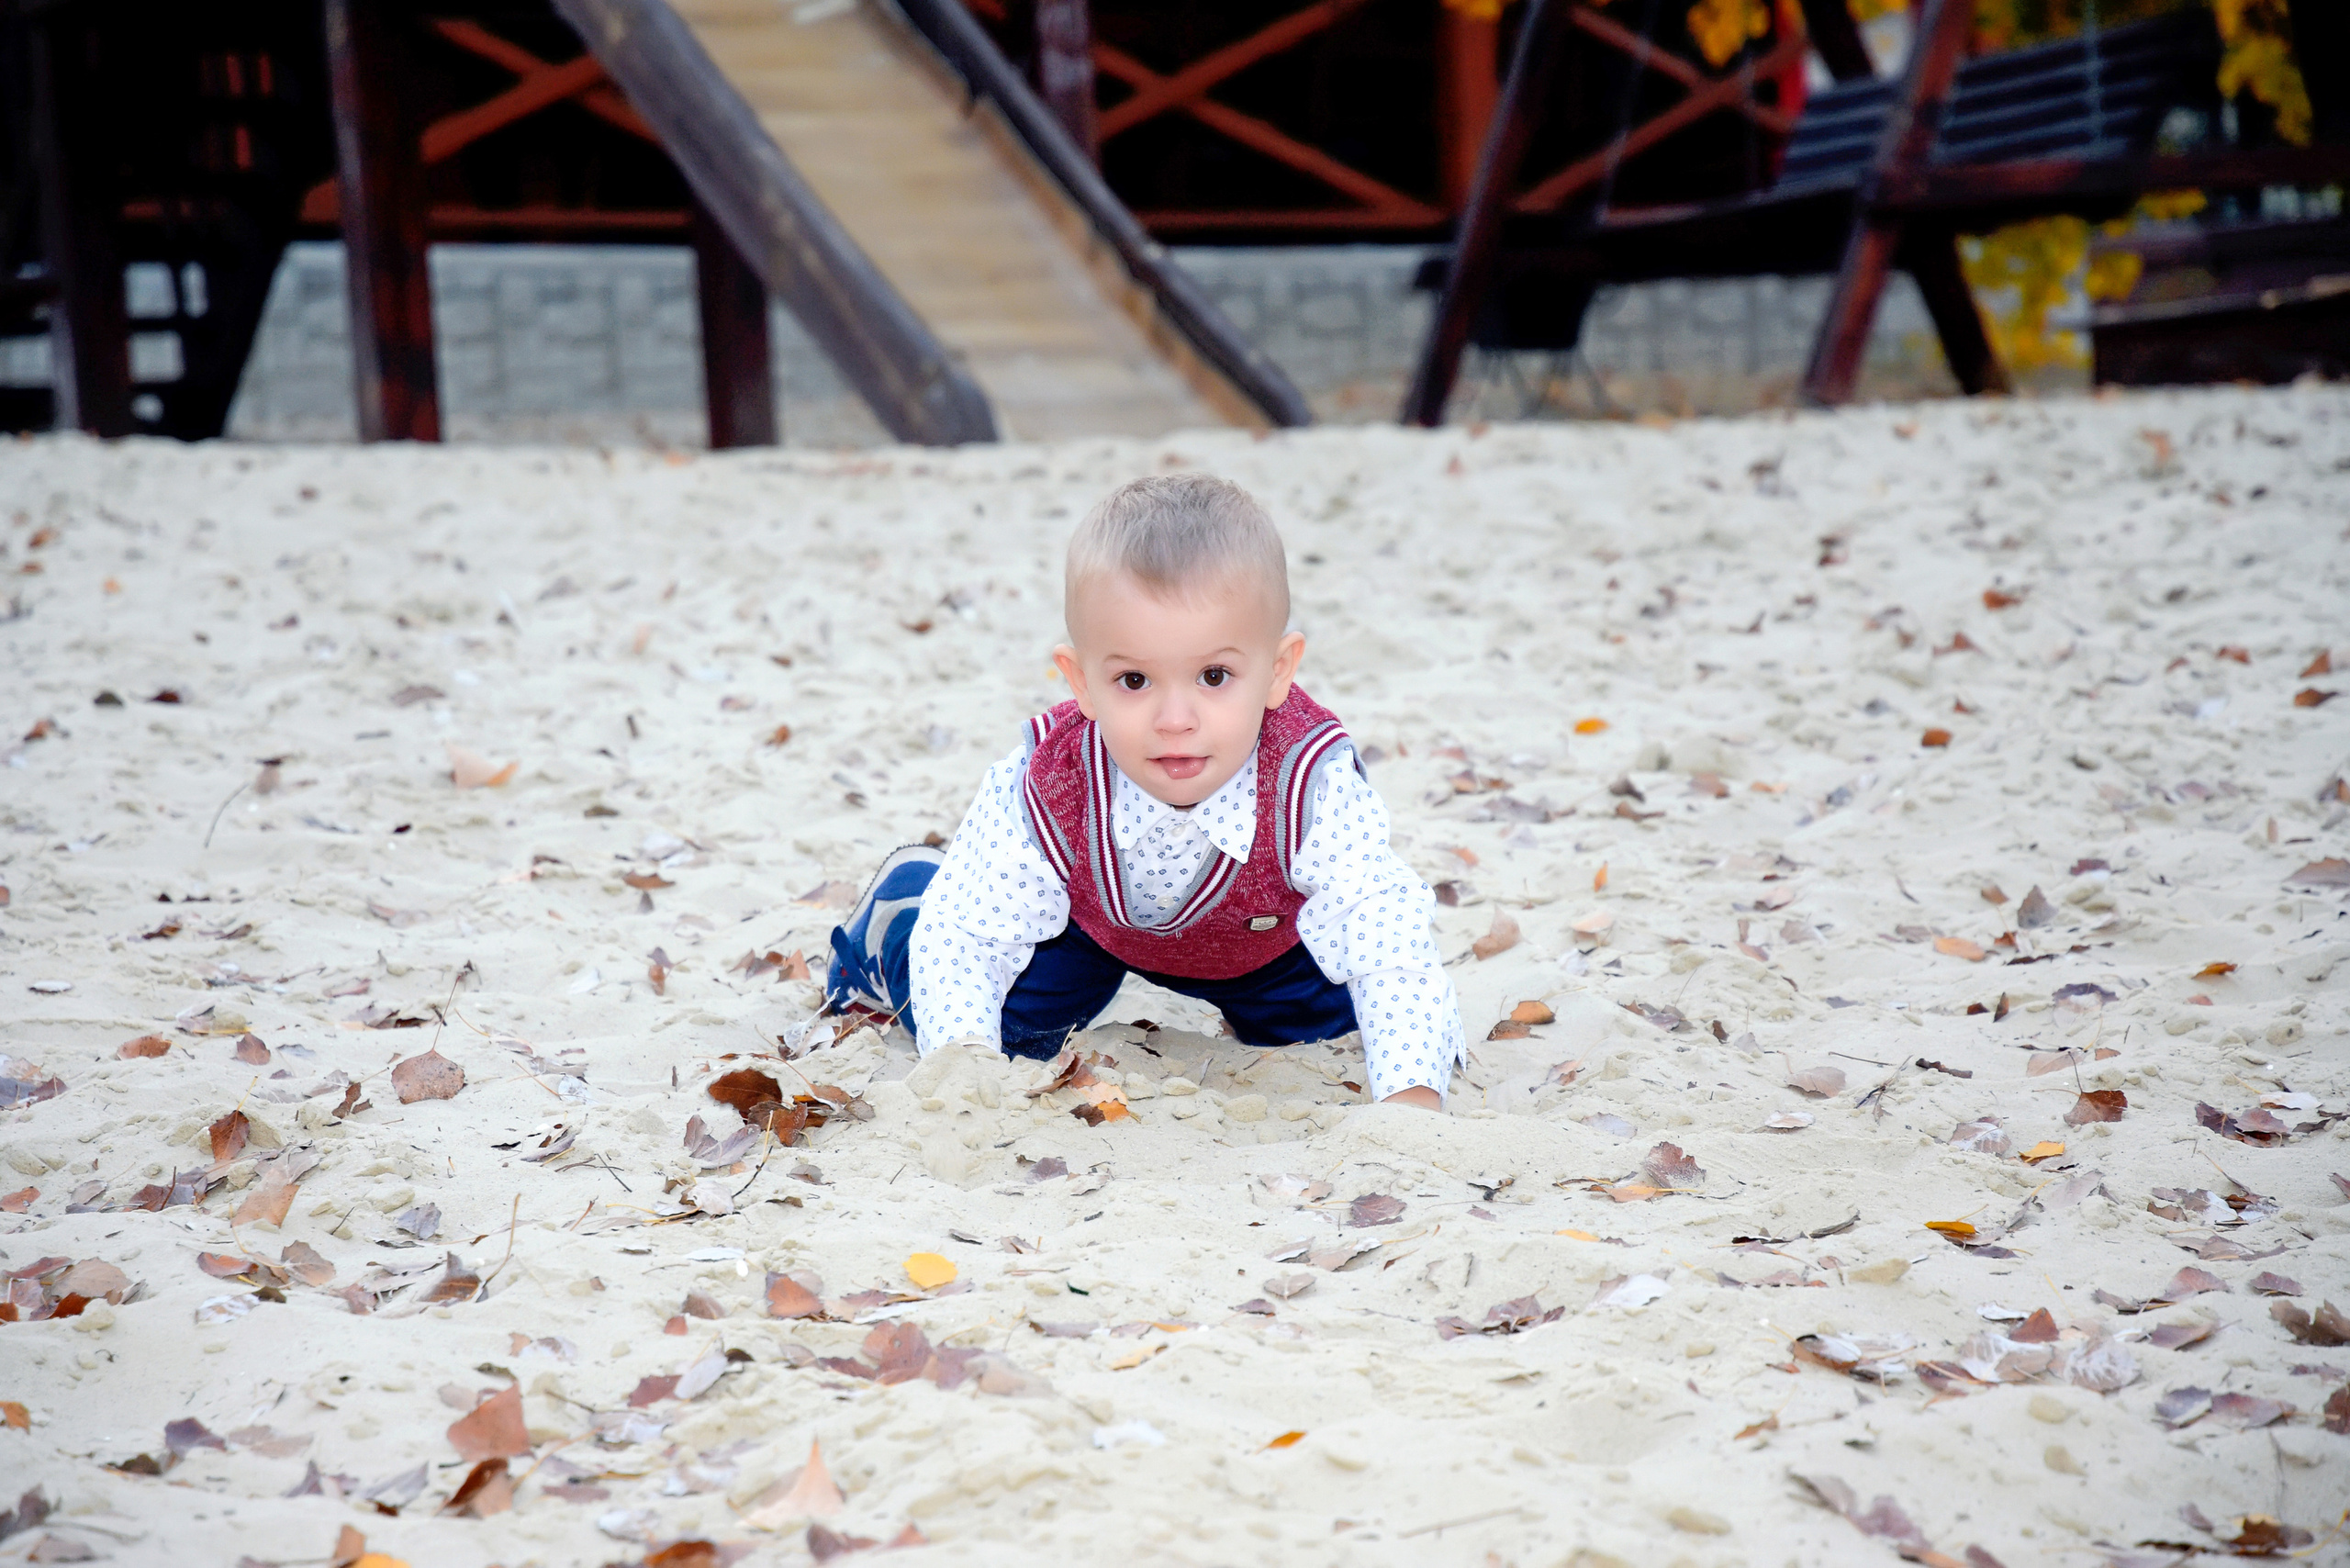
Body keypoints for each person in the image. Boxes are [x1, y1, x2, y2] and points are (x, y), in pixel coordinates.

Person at [825, 474, 1462, 1110]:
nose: (1175, 718)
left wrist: (1413, 1097)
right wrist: (963, 1063)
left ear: (1277, 671)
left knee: (1342, 1024)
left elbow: (1386, 937)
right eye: (1134, 680)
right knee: (1011, 1028)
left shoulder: (1311, 782)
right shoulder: (1050, 782)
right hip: (1085, 930)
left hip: (1264, 942)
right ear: (1081, 682)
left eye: (1215, 675)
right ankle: (899, 907)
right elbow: (969, 935)